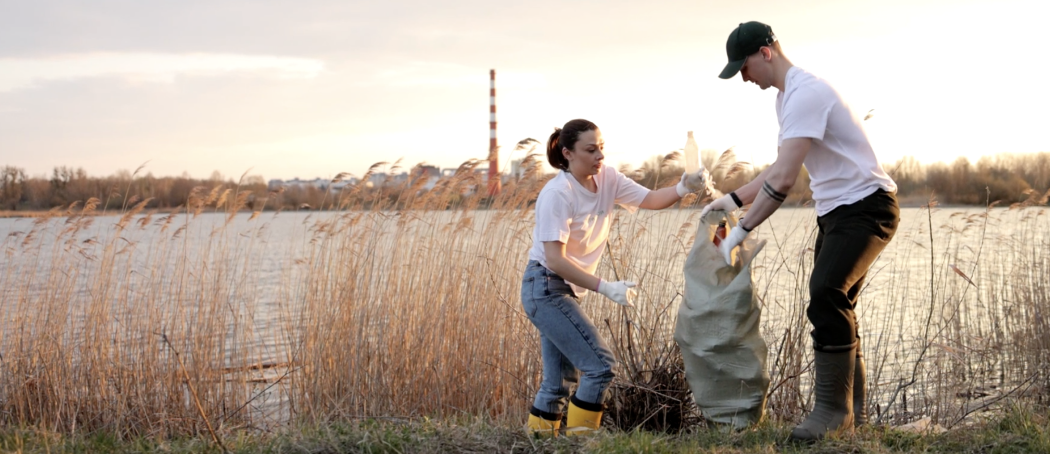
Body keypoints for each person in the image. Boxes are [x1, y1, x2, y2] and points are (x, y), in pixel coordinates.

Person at [702, 22, 900, 441]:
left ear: (766, 52)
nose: (743, 77)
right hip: (836, 213)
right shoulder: (786, 99)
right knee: (837, 301)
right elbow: (778, 168)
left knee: (826, 294)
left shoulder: (806, 93)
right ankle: (856, 416)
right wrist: (733, 201)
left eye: (744, 66)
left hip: (867, 208)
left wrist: (741, 232)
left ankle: (832, 412)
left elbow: (786, 181)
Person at [523, 119, 705, 436]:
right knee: (601, 367)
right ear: (567, 153)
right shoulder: (558, 194)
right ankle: (582, 442)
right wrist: (605, 287)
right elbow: (554, 259)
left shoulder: (606, 178)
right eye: (590, 150)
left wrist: (684, 187)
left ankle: (540, 441)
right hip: (545, 288)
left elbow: (649, 200)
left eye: (602, 148)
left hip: (560, 289)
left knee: (557, 383)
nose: (600, 157)